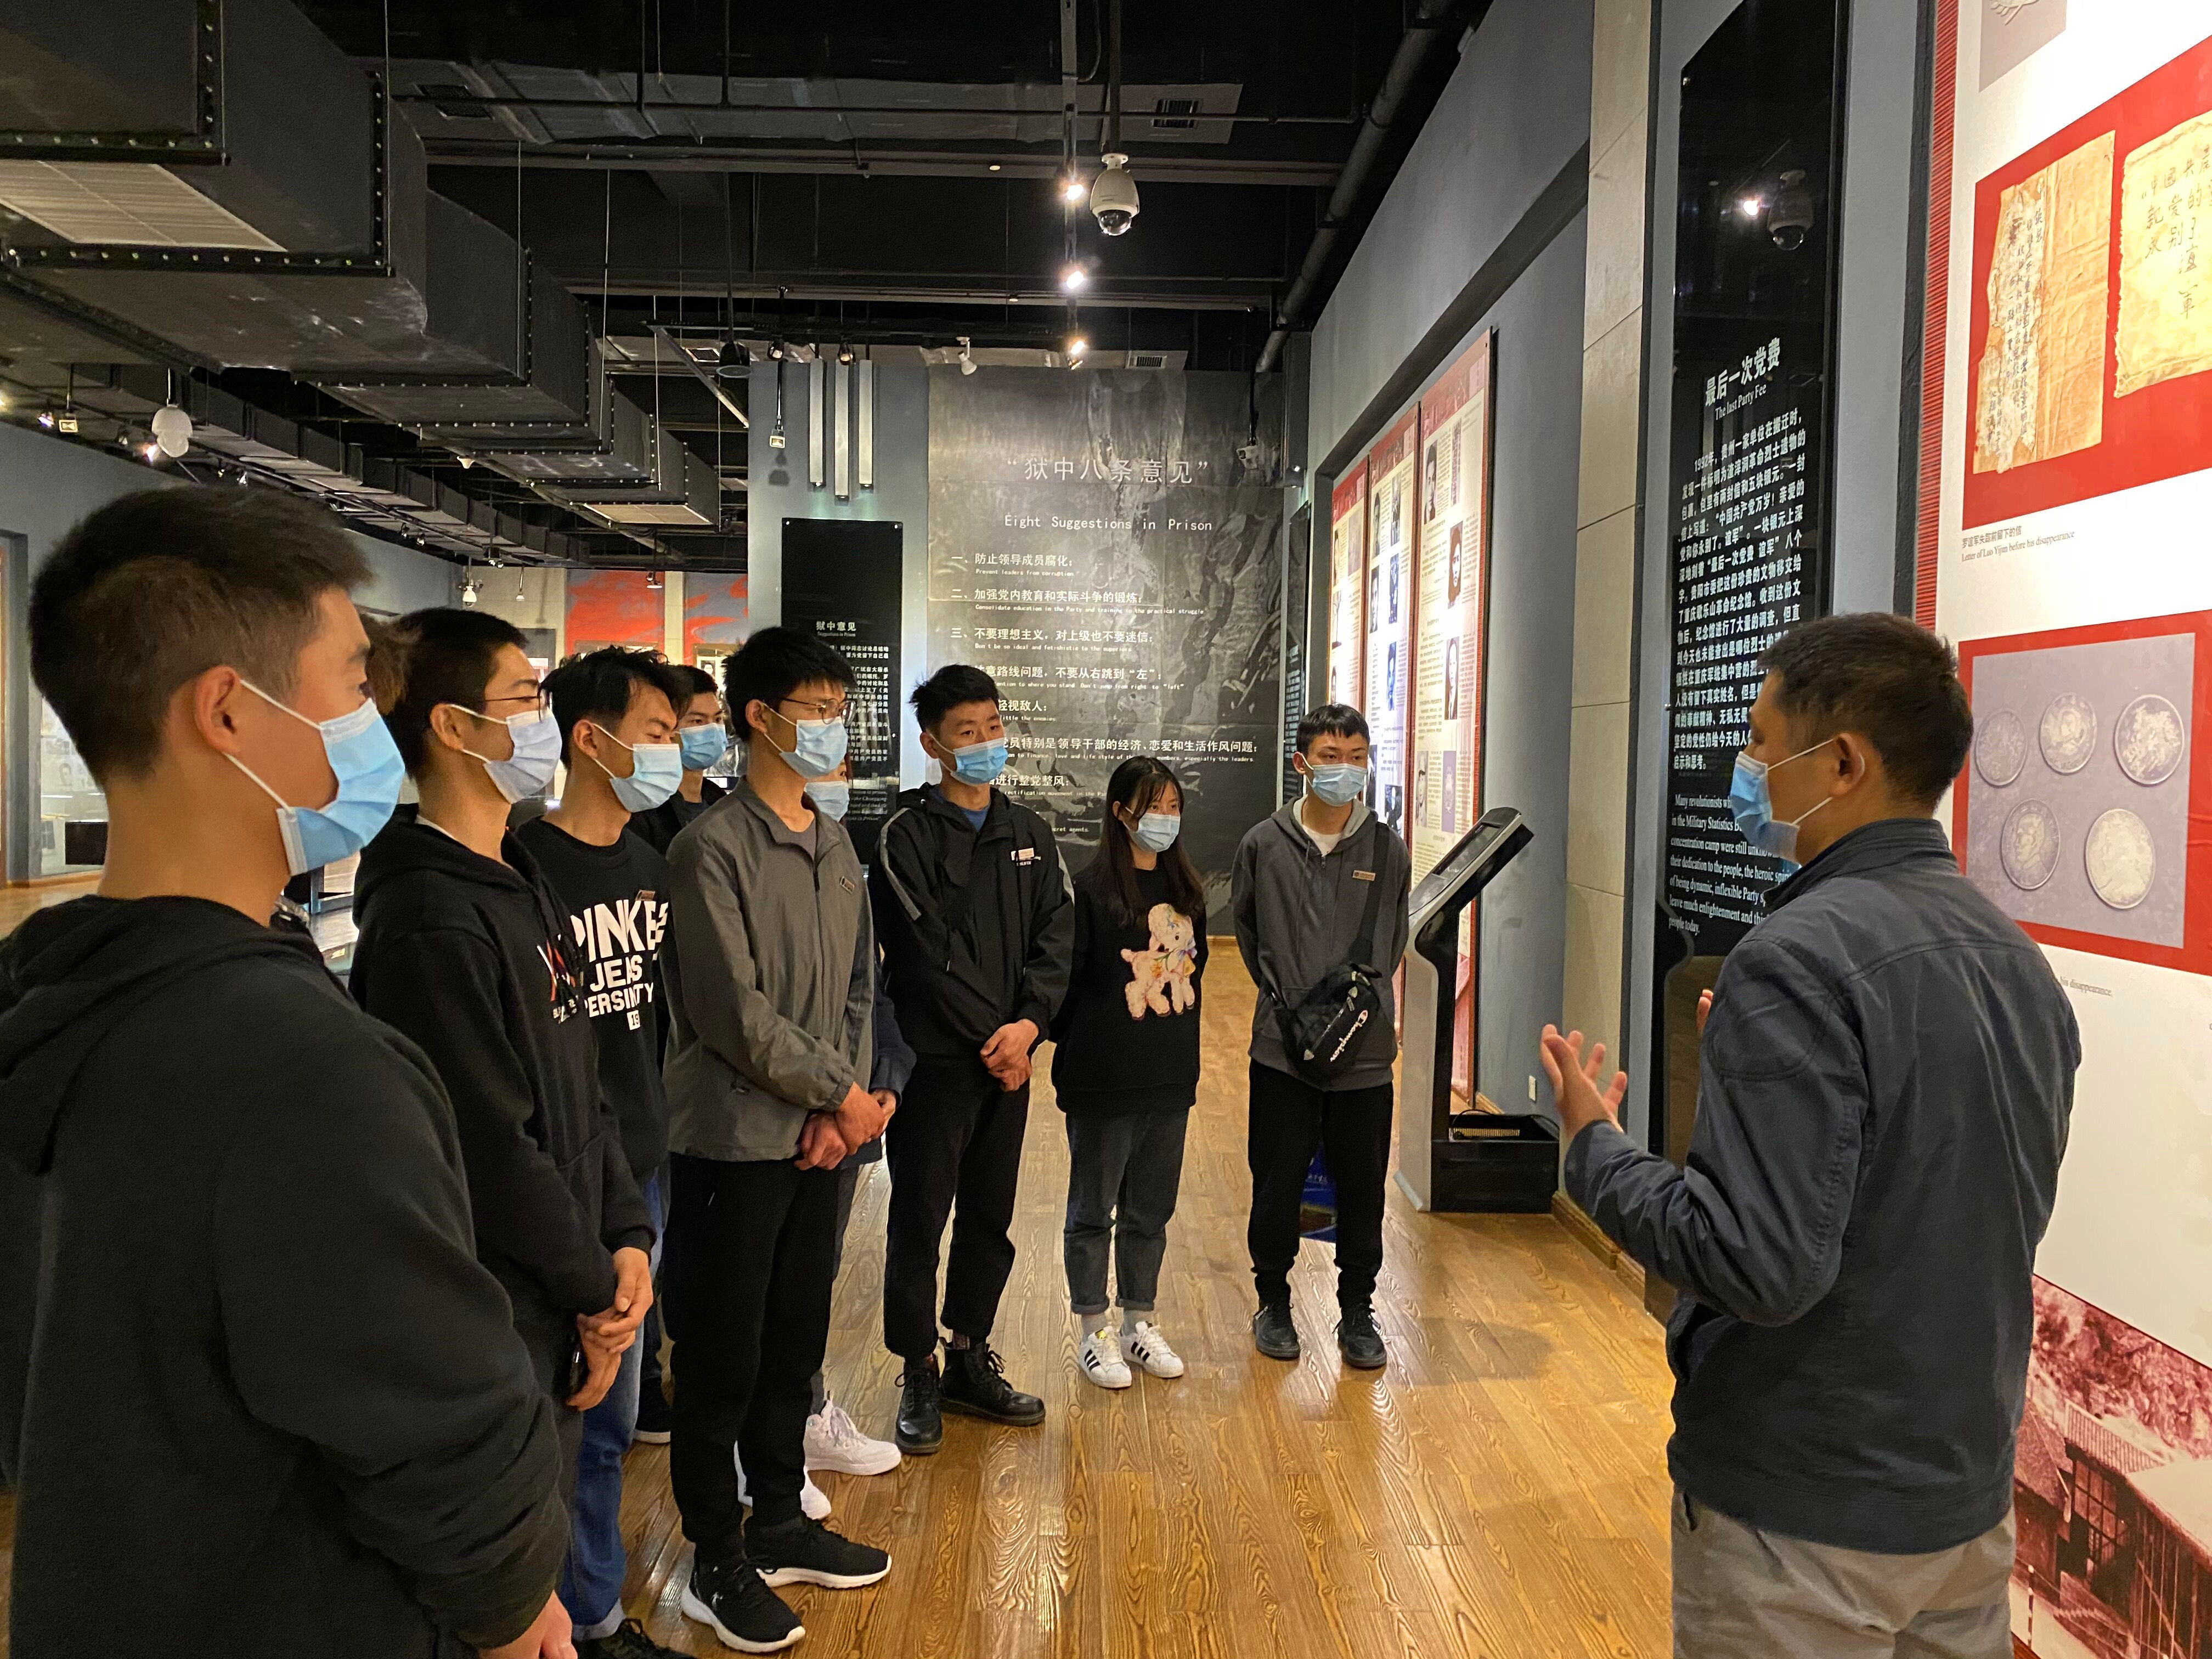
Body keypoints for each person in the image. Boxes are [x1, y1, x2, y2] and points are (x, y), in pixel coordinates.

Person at [0, 488, 573, 1659]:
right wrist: (520, 1607)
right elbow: (432, 1417)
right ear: (227, 710)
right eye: (354, 685)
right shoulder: (300, 1067)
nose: (374, 724)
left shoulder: (55, 998)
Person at [1541, 613, 2079, 1659]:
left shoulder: (1795, 956)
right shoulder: (2016, 960)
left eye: (1758, 739)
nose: (1745, 769)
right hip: (1962, 1503)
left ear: (1840, 762)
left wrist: (1594, 1146)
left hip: (1804, 1514)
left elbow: (1758, 1263)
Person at [351, 610, 657, 1581]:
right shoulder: (429, 917)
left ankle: (589, 1621)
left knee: (570, 1486)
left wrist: (625, 1232)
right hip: (505, 1299)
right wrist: (593, 1285)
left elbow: (586, 1080)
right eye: (525, 698)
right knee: (514, 1535)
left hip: (571, 1272)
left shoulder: (518, 874)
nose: (542, 721)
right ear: (452, 725)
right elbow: (489, 1146)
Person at [660, 627, 894, 1654]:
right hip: (734, 1142)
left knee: (795, 1339)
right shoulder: (708, 848)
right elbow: (733, 1012)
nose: (836, 728)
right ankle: (714, 1556)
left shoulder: (834, 841)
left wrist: (841, 1108)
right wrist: (838, 1094)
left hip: (818, 1140)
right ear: (759, 717)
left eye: (841, 710)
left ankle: (781, 1520)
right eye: (818, 710)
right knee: (722, 1354)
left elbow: (858, 988)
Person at [515, 648, 690, 1659]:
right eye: (657, 732)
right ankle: (556, 1618)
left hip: (641, 1175)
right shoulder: (524, 868)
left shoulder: (650, 868)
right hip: (562, 1178)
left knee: (612, 1413)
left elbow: (652, 1023)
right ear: (592, 738)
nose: (671, 751)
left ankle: (592, 1611)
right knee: (563, 1408)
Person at [872, 665, 1073, 1455]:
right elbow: (923, 955)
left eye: (993, 726)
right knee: (920, 1217)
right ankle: (917, 1366)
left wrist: (1029, 1027)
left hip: (1010, 1062)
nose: (987, 742)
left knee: (991, 1214)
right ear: (933, 744)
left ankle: (967, 1354)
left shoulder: (1029, 832)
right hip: (936, 1064)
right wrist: (1001, 1038)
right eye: (968, 731)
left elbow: (1056, 937)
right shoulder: (906, 835)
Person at [1232, 704, 1410, 1372]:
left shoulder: (1387, 851)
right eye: (1331, 757)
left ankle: (1357, 1309)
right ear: (1302, 763)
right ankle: (1273, 1301)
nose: (1345, 769)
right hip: (1281, 1050)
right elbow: (1247, 932)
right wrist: (1294, 1003)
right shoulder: (1263, 844)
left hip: (1365, 1055)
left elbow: (1393, 939)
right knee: (1276, 1180)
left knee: (1363, 1186)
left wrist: (1347, 1012)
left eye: (1357, 757)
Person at [1048, 756, 1207, 1390]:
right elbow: (1066, 985)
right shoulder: (1089, 891)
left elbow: (1193, 977)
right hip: (1103, 1080)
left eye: (1174, 807)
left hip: (1169, 1076)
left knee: (1150, 1212)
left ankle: (1140, 1322)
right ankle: (1095, 1331)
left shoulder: (1187, 891)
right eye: (1152, 807)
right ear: (1120, 813)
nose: (1165, 819)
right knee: (1094, 1210)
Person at [794, 759, 911, 1493]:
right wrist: (836, 1099)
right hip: (791, 1121)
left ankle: (804, 1415)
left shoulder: (841, 856)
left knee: (815, 1278)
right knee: (770, 1288)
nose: (836, 772)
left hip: (849, 1116)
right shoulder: (726, 855)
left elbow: (870, 993)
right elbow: (752, 1011)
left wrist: (882, 1084)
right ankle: (768, 1445)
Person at [631, 662, 731, 856]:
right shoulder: (645, 810)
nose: (713, 729)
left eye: (718, 719)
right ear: (668, 727)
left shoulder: (720, 801)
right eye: (698, 721)